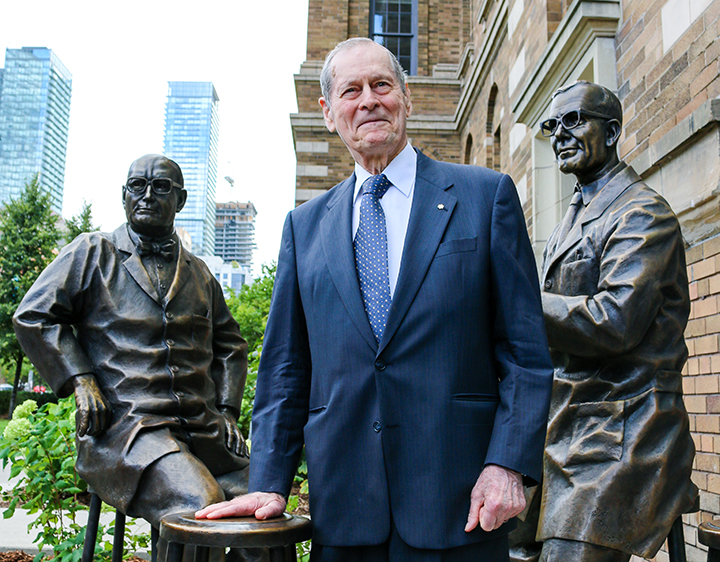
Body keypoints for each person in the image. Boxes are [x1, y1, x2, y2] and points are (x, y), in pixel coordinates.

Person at [197, 38, 554, 561]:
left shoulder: (485, 196)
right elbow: (285, 368)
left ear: (405, 98)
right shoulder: (304, 227)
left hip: (462, 507)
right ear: (328, 112)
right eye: (351, 90)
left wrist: (509, 465)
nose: (368, 100)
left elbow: (525, 352)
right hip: (344, 513)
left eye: (381, 85)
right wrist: (269, 481)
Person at [13, 155, 253, 561]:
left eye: (160, 187)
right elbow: (33, 315)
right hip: (128, 431)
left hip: (203, 429)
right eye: (136, 186)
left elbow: (230, 345)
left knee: (263, 503)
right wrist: (81, 379)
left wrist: (228, 412)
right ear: (123, 194)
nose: (145, 195)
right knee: (200, 504)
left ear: (180, 200)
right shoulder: (92, 252)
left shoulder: (200, 274)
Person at [530, 81, 698, 561]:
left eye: (573, 121)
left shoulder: (643, 213)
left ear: (613, 131)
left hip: (627, 426)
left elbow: (614, 321)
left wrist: (521, 302)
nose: (560, 134)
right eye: (551, 126)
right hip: (570, 422)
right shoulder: (573, 215)